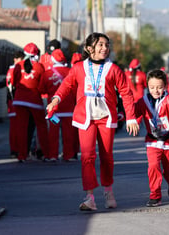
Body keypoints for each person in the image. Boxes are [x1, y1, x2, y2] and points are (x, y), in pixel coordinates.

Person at [46, 32, 139, 211]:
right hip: (85, 118)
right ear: (90, 49)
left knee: (106, 157)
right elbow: (66, 85)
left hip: (106, 118)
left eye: (107, 45)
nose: (105, 48)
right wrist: (56, 100)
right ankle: (89, 197)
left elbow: (126, 92)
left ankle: (108, 191)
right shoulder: (79, 68)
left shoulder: (113, 69)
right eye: (101, 45)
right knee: (87, 157)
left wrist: (131, 117)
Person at [134, 69, 169, 207]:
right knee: (153, 166)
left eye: (159, 87)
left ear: (165, 86)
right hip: (153, 140)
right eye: (152, 87)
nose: (155, 90)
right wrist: (127, 117)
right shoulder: (143, 101)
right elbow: (133, 112)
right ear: (147, 86)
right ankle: (155, 195)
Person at [0, 50, 35, 158]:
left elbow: (6, 82)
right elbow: (9, 83)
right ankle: (17, 150)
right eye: (20, 59)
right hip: (16, 101)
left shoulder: (13, 69)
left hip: (13, 101)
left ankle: (17, 150)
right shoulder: (16, 69)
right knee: (18, 127)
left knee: (17, 127)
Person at [39, 48, 79, 162]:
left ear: (52, 59)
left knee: (53, 132)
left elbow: (41, 90)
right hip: (68, 109)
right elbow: (76, 89)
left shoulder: (47, 74)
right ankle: (69, 155)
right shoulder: (71, 72)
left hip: (54, 111)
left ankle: (53, 155)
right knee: (68, 133)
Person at [11, 42, 49, 162]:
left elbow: (14, 82)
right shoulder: (39, 67)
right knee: (41, 126)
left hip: (19, 100)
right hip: (34, 100)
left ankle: (22, 155)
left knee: (21, 128)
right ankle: (46, 153)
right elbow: (43, 86)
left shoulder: (18, 66)